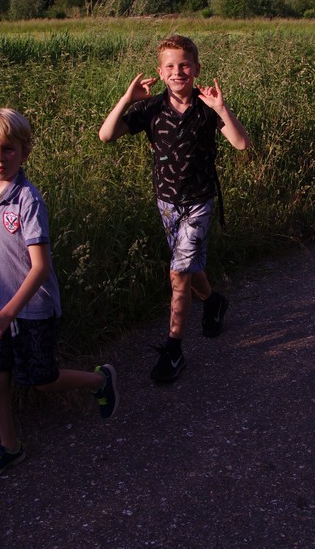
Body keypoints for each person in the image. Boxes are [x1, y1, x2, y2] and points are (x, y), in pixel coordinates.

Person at [0, 108, 118, 480]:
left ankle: (100, 380)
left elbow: (40, 267)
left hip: (31, 308)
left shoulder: (28, 201)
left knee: (41, 379)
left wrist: (8, 315)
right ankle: (9, 446)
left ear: (24, 152)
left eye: (8, 149)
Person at [98, 35, 250, 382]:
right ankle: (212, 302)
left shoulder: (207, 107)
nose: (177, 72)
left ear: (196, 69)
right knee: (188, 267)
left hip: (199, 203)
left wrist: (222, 108)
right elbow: (106, 135)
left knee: (179, 274)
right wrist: (127, 99)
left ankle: (174, 349)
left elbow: (241, 144)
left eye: (184, 65)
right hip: (166, 202)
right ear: (160, 71)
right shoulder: (150, 108)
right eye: (170, 66)